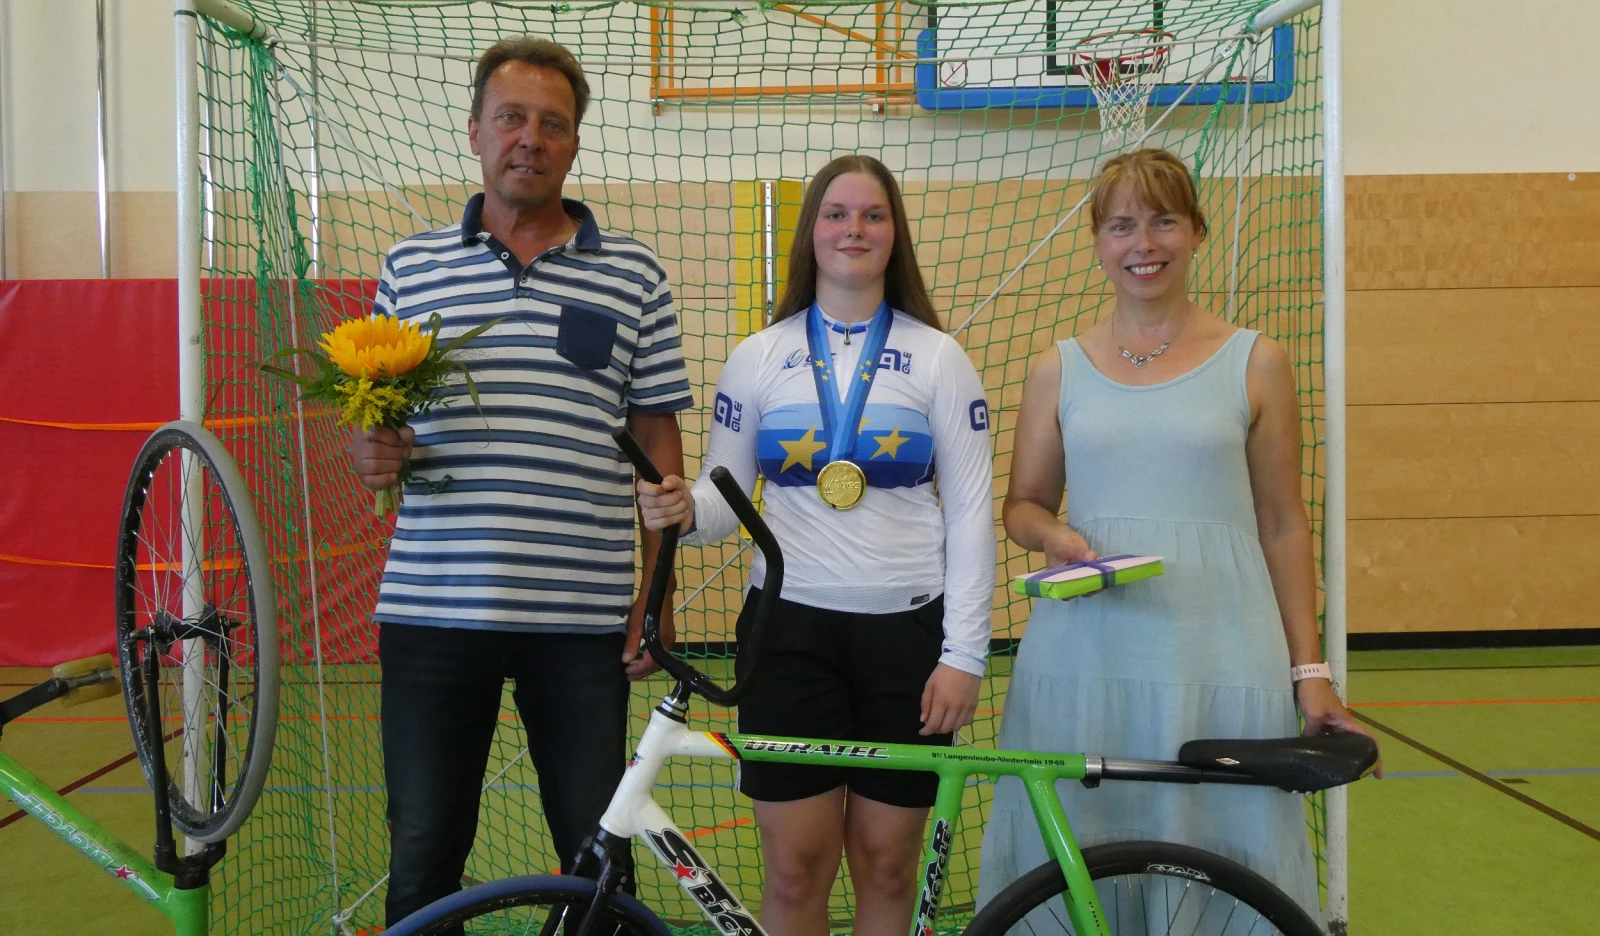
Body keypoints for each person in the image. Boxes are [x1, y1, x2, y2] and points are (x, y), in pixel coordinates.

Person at [976, 147, 1379, 923]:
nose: (1143, 244)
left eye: (1163, 221)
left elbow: (1283, 523)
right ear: (1098, 242)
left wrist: (1310, 672)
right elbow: (1022, 506)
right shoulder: (1057, 368)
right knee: (1079, 852)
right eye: (1121, 225)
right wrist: (1053, 534)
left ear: (1197, 230)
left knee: (1219, 852)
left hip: (1220, 652)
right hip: (1086, 656)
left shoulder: (1256, 361)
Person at [345, 37, 693, 929]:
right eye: (511, 118)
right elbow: (373, 428)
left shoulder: (635, 274)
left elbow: (659, 453)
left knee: (597, 860)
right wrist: (368, 453)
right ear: (475, 131)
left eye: (552, 123)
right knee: (424, 858)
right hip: (431, 616)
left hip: (581, 627)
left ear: (574, 143)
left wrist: (654, 600)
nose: (529, 138)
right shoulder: (411, 266)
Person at [637, 155, 996, 936]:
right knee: (795, 871)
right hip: (788, 638)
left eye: (873, 214)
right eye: (837, 213)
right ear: (811, 232)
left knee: (888, 866)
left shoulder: (940, 358)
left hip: (908, 640)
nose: (853, 229)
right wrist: (681, 508)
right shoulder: (757, 357)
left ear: (895, 233)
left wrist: (965, 654)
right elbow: (724, 503)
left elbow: (971, 513)